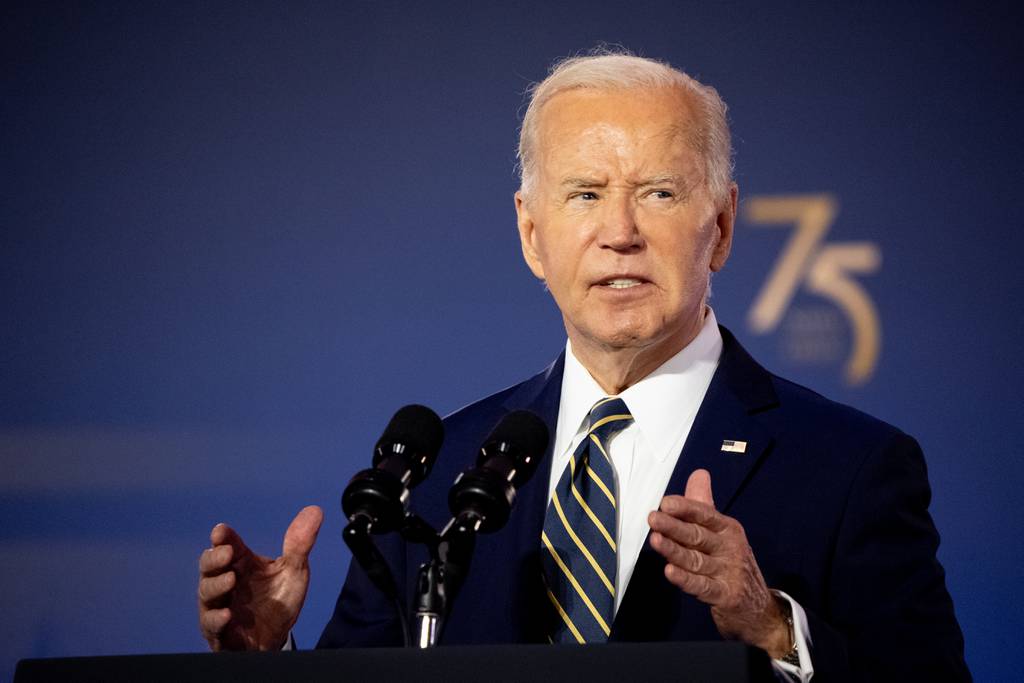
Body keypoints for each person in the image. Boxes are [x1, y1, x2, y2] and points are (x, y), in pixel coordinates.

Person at [197, 51, 970, 681]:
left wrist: (773, 628)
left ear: (724, 226)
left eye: (659, 193)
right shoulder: (438, 479)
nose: (620, 232)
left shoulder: (851, 468)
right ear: (532, 234)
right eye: (585, 193)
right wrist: (269, 663)